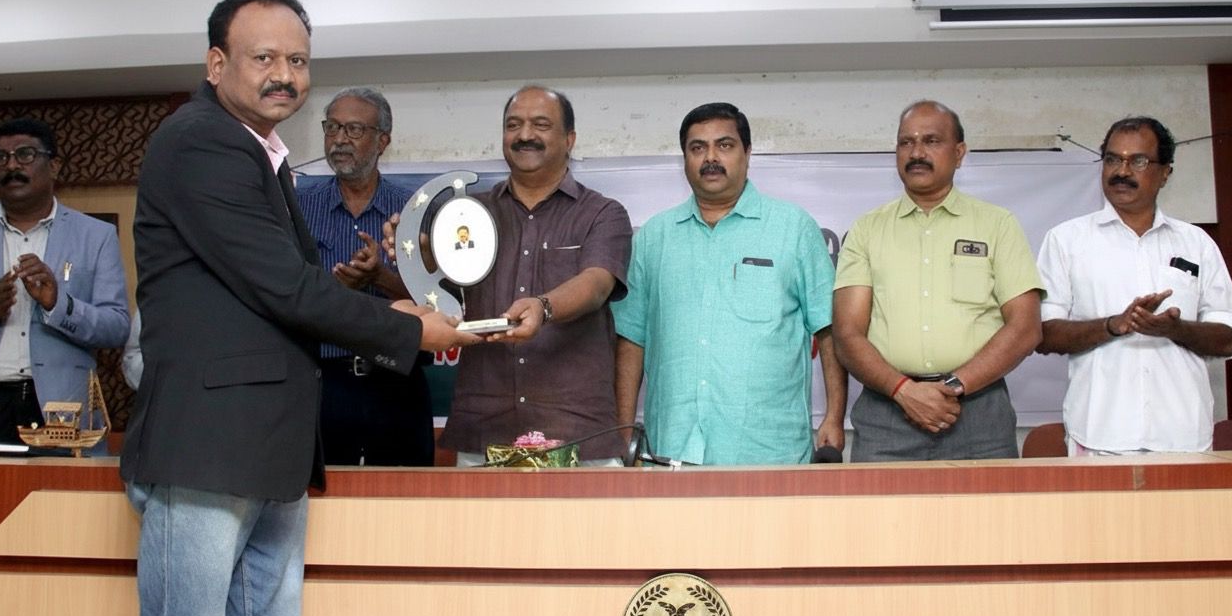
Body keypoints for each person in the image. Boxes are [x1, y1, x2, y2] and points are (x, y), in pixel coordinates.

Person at [121, 0, 475, 616]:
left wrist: (393, 305)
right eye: (264, 58)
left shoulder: (262, 154)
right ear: (216, 64)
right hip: (208, 448)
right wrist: (410, 328)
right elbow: (285, 287)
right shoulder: (202, 141)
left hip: (270, 453)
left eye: (298, 60)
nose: (284, 74)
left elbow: (285, 290)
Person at [387, 85, 632, 466]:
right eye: (513, 125)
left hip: (576, 428)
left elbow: (597, 283)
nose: (524, 135)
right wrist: (418, 254)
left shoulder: (602, 213)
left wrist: (544, 307)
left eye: (541, 124)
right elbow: (436, 295)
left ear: (569, 139)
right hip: (485, 426)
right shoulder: (466, 214)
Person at [612, 102, 846, 465]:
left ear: (747, 153)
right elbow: (631, 339)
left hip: (769, 450)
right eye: (697, 148)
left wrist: (834, 415)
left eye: (724, 145)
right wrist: (624, 430)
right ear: (684, 159)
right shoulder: (653, 237)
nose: (710, 158)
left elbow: (828, 329)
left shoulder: (793, 228)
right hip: (672, 448)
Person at [833, 100, 1042, 461]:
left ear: (959, 153)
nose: (917, 153)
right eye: (906, 142)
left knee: (990, 503)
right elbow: (847, 334)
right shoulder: (867, 230)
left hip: (979, 414)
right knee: (880, 504)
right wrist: (903, 391)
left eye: (931, 141)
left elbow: (1025, 328)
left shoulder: (998, 225)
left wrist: (952, 387)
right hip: (888, 414)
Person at [1036, 116, 1232, 454]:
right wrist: (1113, 325)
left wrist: (1176, 329)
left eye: (1138, 161)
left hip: (1183, 437)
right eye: (1112, 159)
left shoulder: (1197, 243)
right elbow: (1044, 334)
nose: (1122, 171)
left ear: (1165, 173)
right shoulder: (1066, 240)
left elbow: (1228, 339)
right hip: (1098, 435)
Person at [0, 118, 129, 447]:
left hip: (61, 407)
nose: (11, 165)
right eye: (0, 157)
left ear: (54, 166)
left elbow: (116, 326)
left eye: (25, 155)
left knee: (62, 484)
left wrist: (58, 304)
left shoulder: (95, 236)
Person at [297, 87, 435, 466]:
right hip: (322, 385)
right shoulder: (299, 208)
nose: (340, 139)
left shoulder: (413, 210)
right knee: (321, 497)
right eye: (332, 127)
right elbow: (286, 296)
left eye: (354, 129)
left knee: (405, 496)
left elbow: (437, 304)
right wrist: (335, 291)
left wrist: (379, 277)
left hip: (397, 382)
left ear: (382, 141)